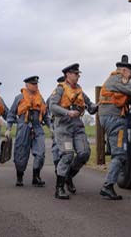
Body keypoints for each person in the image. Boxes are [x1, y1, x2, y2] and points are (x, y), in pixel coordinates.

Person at [98, 55, 131, 200]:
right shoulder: (117, 79)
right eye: (130, 72)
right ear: (123, 70)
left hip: (115, 117)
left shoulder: (119, 82)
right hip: (114, 119)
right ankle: (107, 186)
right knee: (120, 155)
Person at [49, 63, 98, 199]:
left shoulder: (80, 91)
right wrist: (67, 112)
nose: (78, 76)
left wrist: (99, 105)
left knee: (84, 153)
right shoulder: (60, 89)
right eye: (75, 74)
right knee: (68, 155)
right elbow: (52, 106)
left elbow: (91, 107)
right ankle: (59, 189)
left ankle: (69, 176)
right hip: (64, 127)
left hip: (78, 127)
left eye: (78, 74)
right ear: (68, 75)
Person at [5, 76, 51, 187]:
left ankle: (36, 177)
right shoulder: (19, 98)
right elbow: (11, 114)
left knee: (40, 153)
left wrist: (51, 128)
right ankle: (19, 177)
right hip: (23, 127)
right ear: (26, 85)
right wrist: (8, 129)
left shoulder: (41, 98)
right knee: (20, 153)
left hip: (37, 127)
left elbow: (46, 116)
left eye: (36, 84)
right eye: (33, 84)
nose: (35, 85)